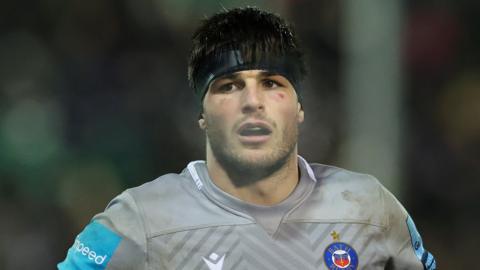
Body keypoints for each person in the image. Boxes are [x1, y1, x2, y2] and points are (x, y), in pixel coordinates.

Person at [58, 7, 436, 270]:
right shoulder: (139, 220)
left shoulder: (369, 209)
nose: (252, 101)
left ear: (300, 106)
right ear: (202, 114)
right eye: (229, 85)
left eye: (271, 83)